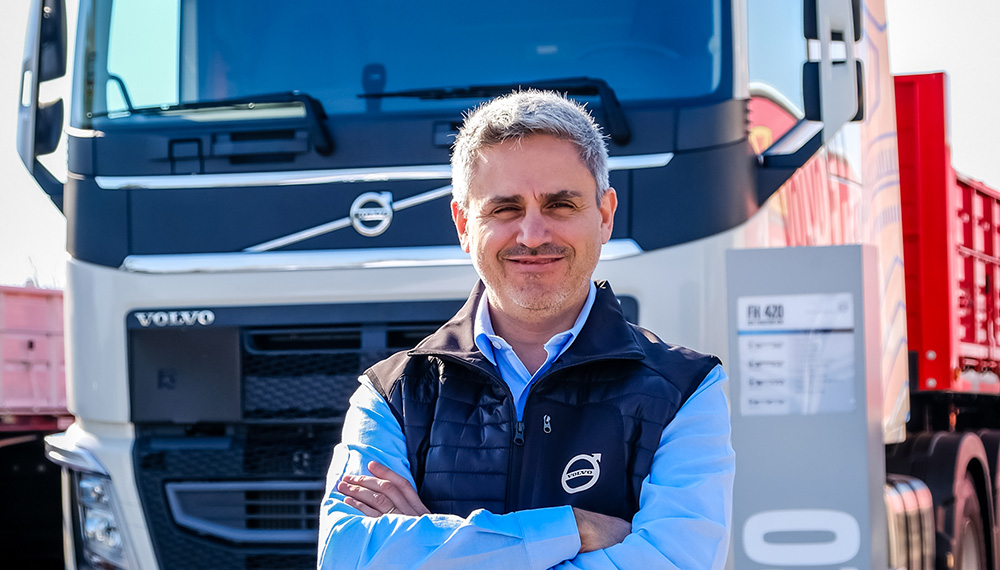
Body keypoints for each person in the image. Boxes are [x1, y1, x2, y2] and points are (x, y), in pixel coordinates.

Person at [318, 90, 734, 569]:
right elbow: (347, 556)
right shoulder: (392, 394)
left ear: (604, 216)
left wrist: (429, 546)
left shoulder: (688, 391)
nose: (533, 236)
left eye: (560, 205)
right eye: (505, 209)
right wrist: (572, 529)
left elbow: (675, 562)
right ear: (463, 224)